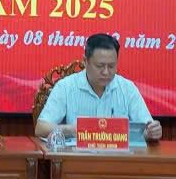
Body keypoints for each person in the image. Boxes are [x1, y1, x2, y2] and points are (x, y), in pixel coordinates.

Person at [35, 33, 163, 141]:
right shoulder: (66, 87)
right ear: (85, 61)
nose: (106, 72)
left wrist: (152, 132)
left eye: (111, 66)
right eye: (100, 66)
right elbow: (41, 128)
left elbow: (146, 128)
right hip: (78, 159)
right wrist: (70, 130)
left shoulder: (127, 89)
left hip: (119, 160)